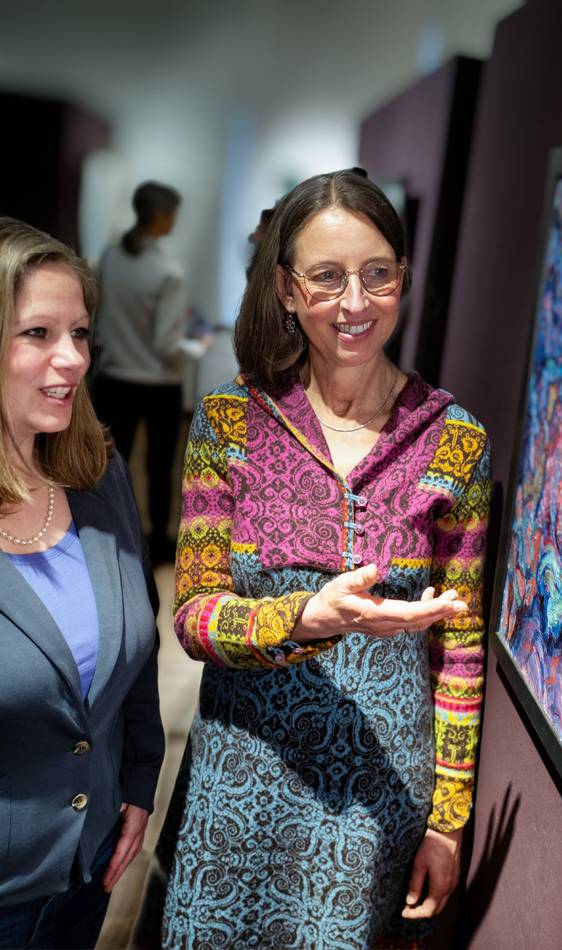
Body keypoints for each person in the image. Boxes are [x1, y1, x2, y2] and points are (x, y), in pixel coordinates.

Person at [157, 168, 491, 947]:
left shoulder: (455, 440)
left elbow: (462, 648)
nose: (354, 303)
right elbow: (194, 617)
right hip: (242, 777)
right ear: (286, 287)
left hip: (376, 793)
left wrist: (447, 822)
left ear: (403, 278)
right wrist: (304, 617)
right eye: (328, 277)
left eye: (378, 275)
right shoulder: (230, 421)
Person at [0, 217, 164, 949]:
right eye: (37, 332)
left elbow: (139, 647)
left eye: (81, 333)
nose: (71, 358)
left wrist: (136, 783)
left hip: (88, 867)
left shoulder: (98, 476)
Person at [93, 181, 208, 563]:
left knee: (112, 465)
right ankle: (158, 544)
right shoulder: (167, 270)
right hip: (158, 385)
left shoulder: (110, 257)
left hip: (112, 381)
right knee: (160, 470)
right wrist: (198, 347)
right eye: (173, 213)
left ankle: (110, 536)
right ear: (160, 216)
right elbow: (166, 345)